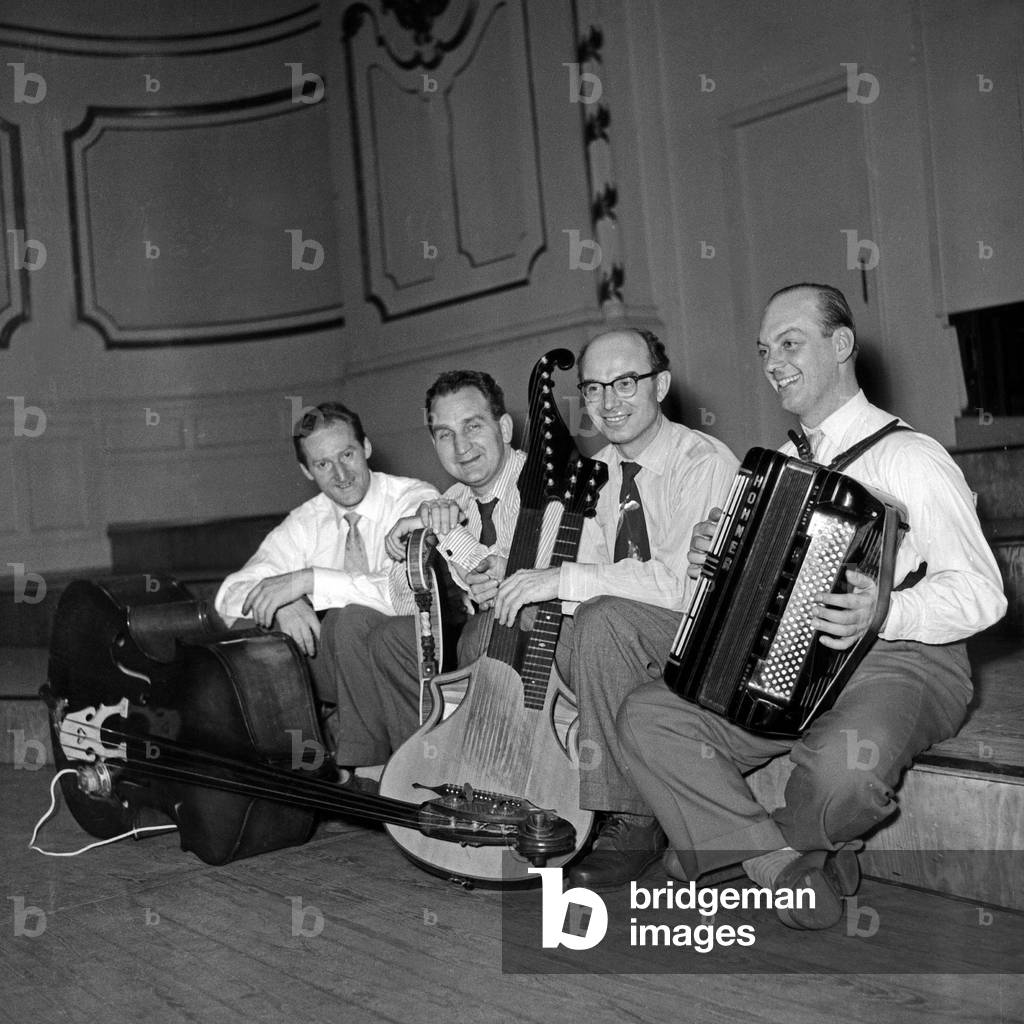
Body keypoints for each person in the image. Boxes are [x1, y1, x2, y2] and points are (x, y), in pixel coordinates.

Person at [617, 283, 1007, 928]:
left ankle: (729, 853)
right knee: (649, 716)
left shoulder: (910, 457)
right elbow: (757, 587)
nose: (772, 362)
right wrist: (713, 562)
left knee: (842, 778)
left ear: (842, 345)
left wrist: (884, 612)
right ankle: (780, 863)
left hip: (901, 659)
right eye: (765, 349)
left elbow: (982, 591)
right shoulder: (778, 465)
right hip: (786, 665)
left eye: (790, 343)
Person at [492, 327, 739, 890]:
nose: (609, 402)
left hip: (701, 636)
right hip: (631, 631)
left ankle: (635, 822)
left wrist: (562, 578)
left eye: (626, 382)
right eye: (595, 388)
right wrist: (510, 576)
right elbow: (582, 568)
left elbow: (681, 586)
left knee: (600, 618)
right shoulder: (598, 473)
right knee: (531, 620)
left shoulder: (702, 462)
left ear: (662, 385)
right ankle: (534, 787)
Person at [314, 371, 558, 778]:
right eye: (445, 434)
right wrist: (409, 544)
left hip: (542, 630)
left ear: (505, 427)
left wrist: (447, 536)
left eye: (473, 426)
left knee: (428, 634)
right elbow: (407, 604)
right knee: (378, 631)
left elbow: (508, 582)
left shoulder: (543, 484)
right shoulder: (451, 500)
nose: (461, 447)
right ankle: (415, 775)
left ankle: (460, 777)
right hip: (483, 630)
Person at [214, 402, 438, 658]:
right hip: (339, 657)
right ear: (306, 471)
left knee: (349, 621)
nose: (341, 475)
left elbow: (400, 592)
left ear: (365, 447)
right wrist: (284, 604)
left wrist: (308, 580)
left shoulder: (414, 499)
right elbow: (231, 593)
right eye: (323, 464)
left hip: (409, 651)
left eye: (347, 455)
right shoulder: (305, 522)